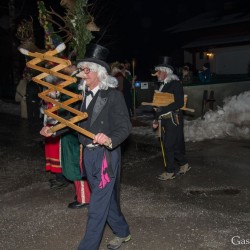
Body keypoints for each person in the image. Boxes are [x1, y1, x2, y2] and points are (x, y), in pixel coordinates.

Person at [40, 43, 132, 250]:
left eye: (86, 69)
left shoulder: (114, 95)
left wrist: (109, 138)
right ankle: (122, 231)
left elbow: (125, 127)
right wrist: (53, 130)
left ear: (99, 73)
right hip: (88, 155)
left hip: (106, 157)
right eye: (81, 69)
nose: (82, 73)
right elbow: (74, 122)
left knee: (97, 206)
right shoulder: (83, 96)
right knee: (106, 201)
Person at [152, 63, 190, 180]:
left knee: (168, 145)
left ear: (165, 72)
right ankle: (184, 164)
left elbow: (179, 103)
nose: (157, 74)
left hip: (174, 119)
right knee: (173, 145)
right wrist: (156, 119)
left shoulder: (176, 84)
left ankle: (170, 172)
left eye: (159, 71)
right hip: (164, 119)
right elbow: (159, 104)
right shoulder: (162, 85)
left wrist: (163, 109)